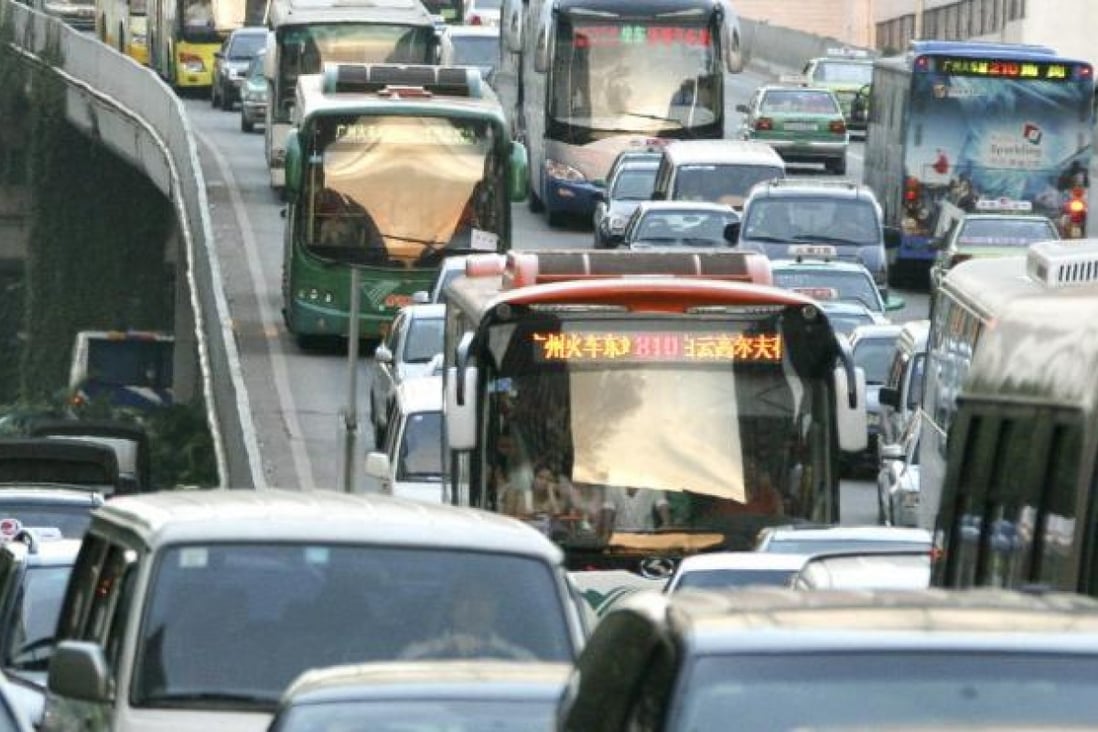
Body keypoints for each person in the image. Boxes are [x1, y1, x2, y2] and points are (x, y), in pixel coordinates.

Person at [400, 579, 537, 660]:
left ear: (496, 607)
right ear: (452, 606)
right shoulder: (417, 654)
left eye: (483, 599)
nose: (474, 607)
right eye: (465, 598)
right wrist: (446, 649)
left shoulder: (520, 660)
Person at [603, 486, 671, 531]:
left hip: (646, 534)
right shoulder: (614, 484)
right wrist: (606, 526)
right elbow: (609, 506)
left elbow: (661, 503)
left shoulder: (653, 482)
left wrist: (666, 523)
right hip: (620, 533)